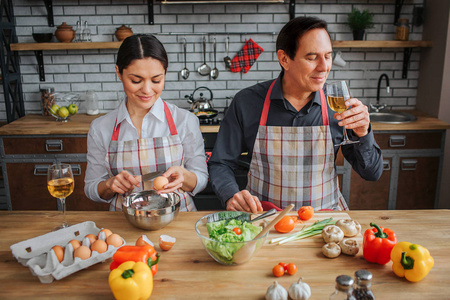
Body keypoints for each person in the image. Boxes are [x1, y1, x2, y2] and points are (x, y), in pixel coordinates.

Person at [208, 17, 383, 213]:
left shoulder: (340, 105)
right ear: (284, 59)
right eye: (312, 57)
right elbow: (220, 163)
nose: (324, 67)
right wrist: (231, 195)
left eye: (327, 56)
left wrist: (363, 133)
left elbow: (372, 173)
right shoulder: (247, 103)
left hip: (324, 222)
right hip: (264, 220)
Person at [85, 34, 208, 211]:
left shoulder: (185, 120)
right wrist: (109, 185)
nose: (147, 90)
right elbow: (91, 188)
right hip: (124, 223)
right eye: (136, 80)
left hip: (178, 220)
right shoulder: (101, 128)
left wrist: (185, 177)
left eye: (156, 80)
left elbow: (201, 178)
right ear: (119, 72)